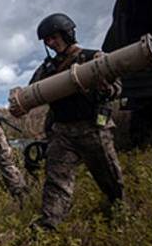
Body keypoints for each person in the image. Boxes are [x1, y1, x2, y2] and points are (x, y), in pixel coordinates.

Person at [14, 13, 123, 230]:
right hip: (62, 133)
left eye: (54, 38)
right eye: (47, 41)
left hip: (93, 129)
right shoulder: (47, 69)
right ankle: (47, 226)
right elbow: (30, 92)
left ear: (67, 34)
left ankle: (120, 213)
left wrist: (107, 89)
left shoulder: (94, 58)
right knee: (56, 181)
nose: (51, 43)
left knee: (109, 178)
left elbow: (117, 87)